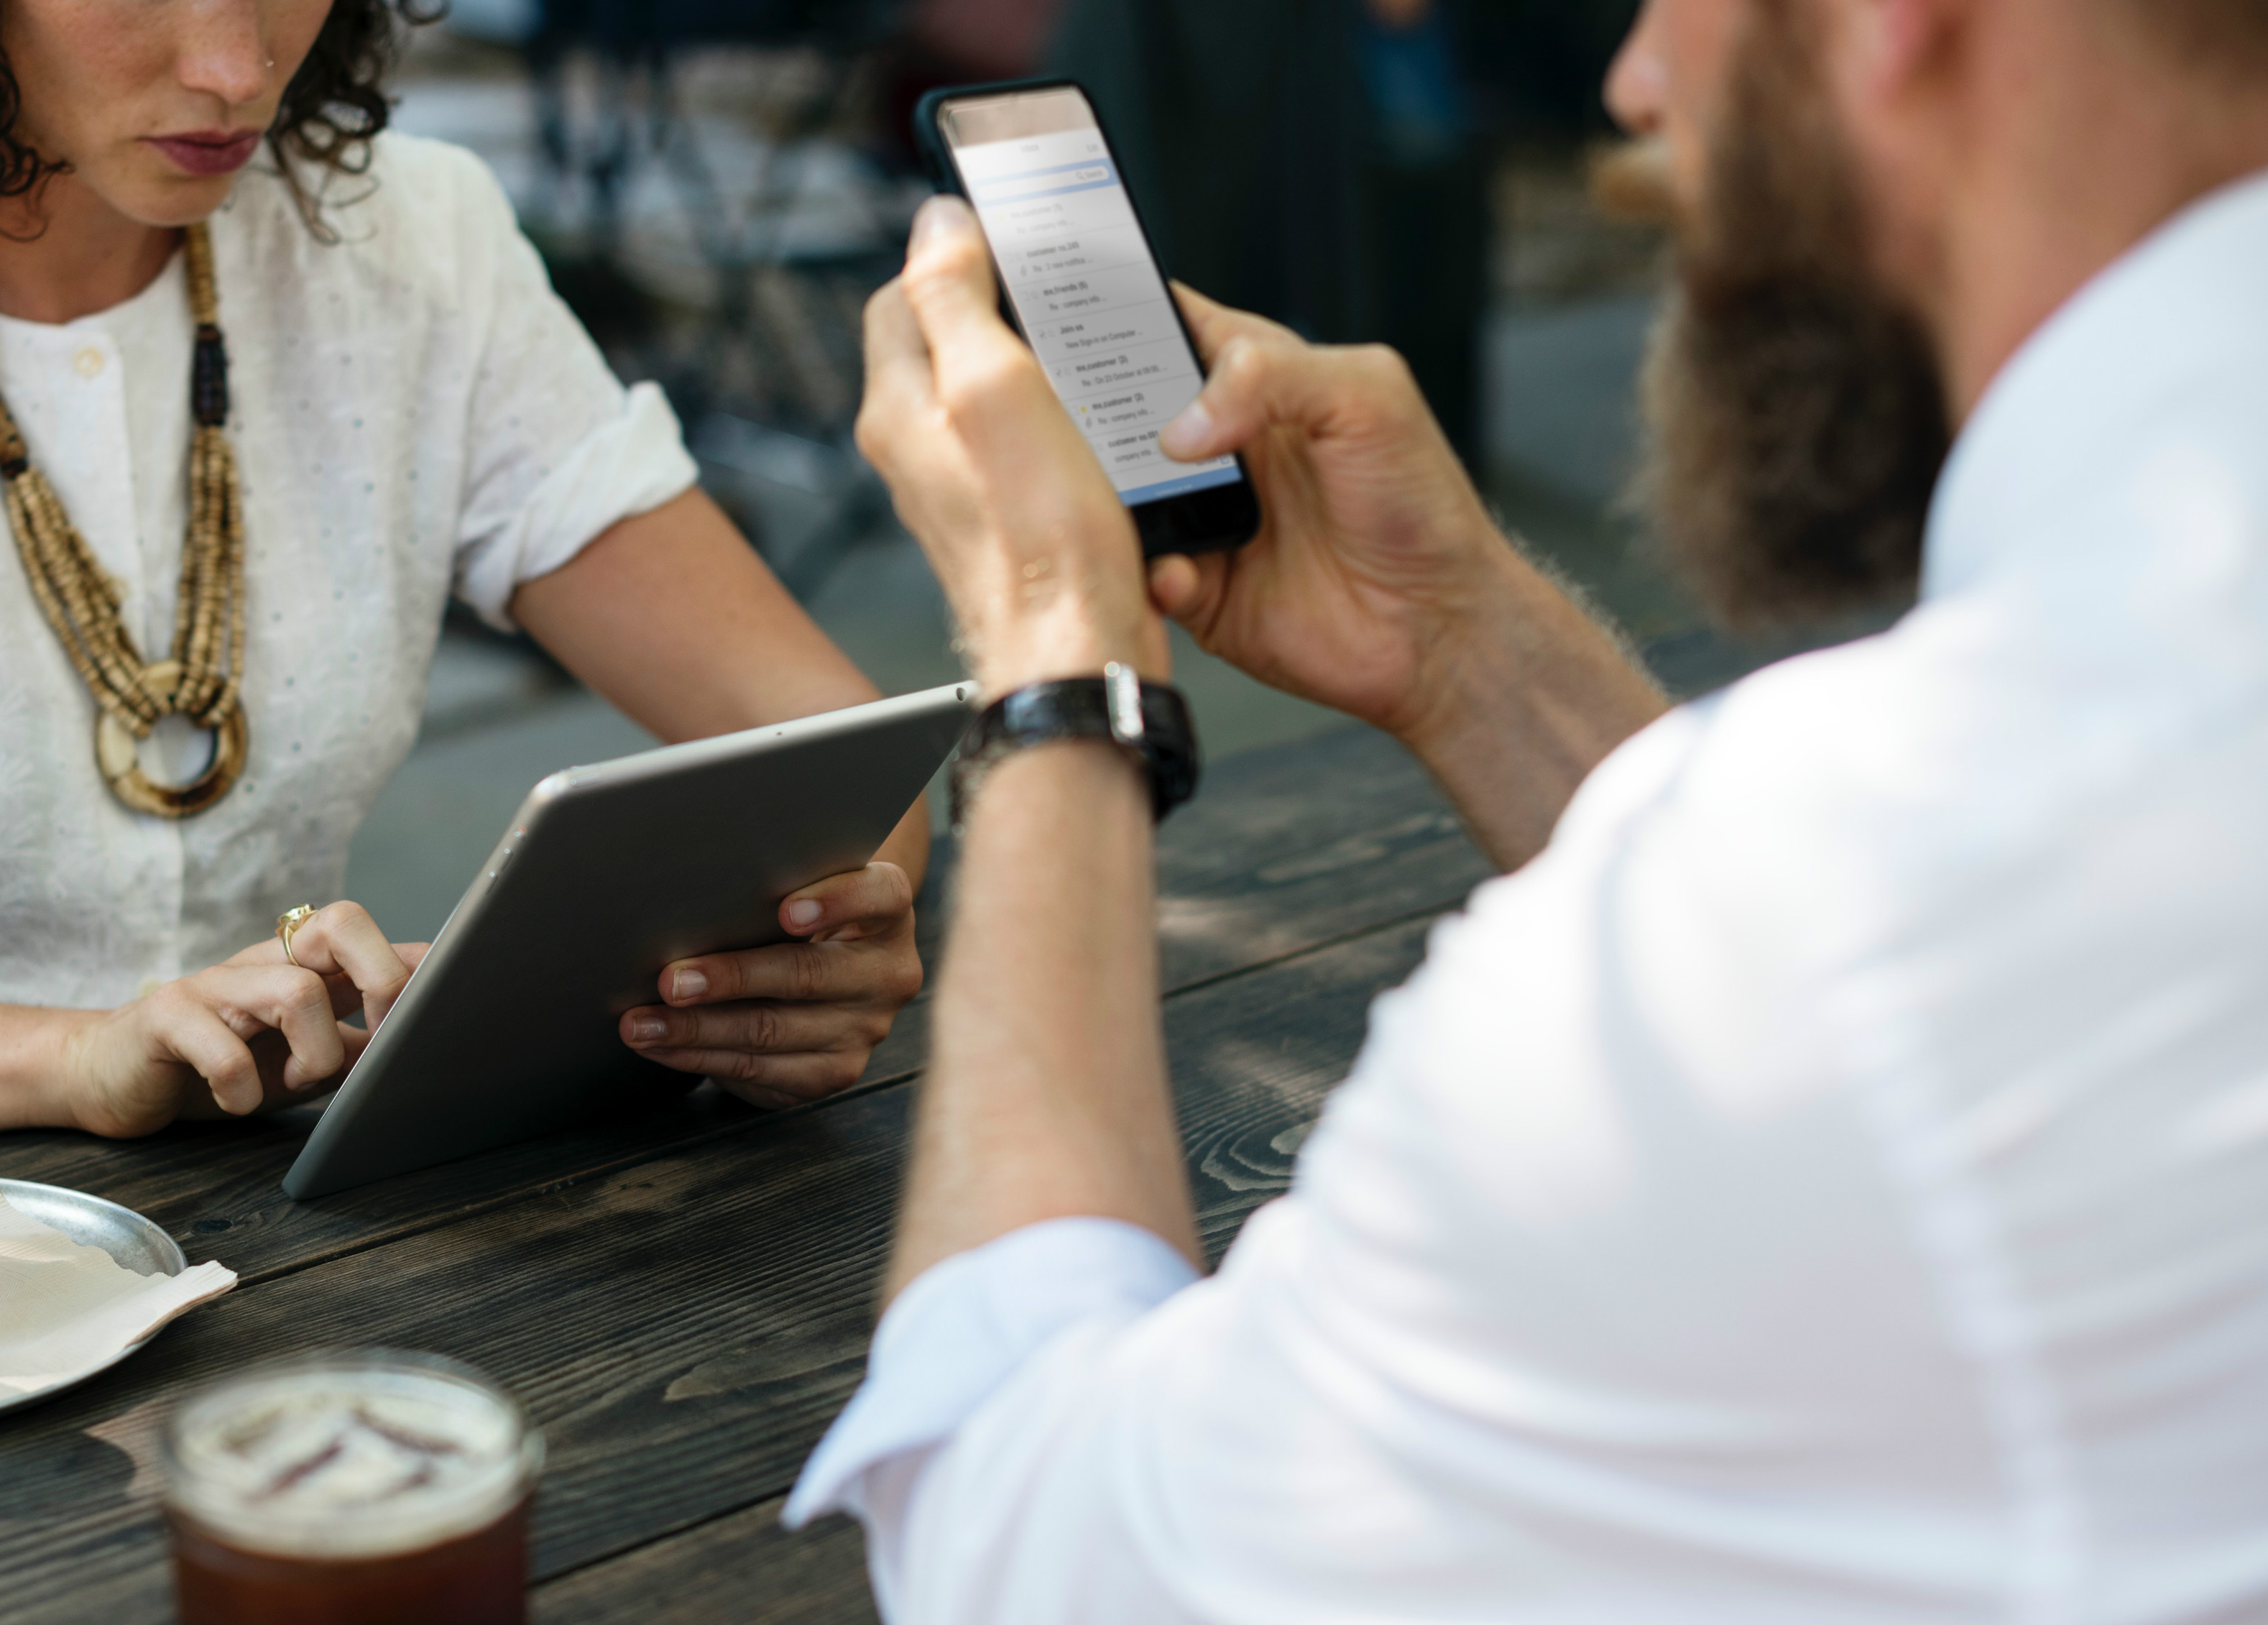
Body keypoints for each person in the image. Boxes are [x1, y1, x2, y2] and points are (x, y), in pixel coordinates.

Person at [790, 0, 2268, 1616]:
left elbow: (1040, 1547)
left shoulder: (1873, 898)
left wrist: (1058, 656)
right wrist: (1463, 649)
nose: (1633, 81)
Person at [0, 0, 929, 1192]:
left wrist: (801, 951)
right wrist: (59, 1059)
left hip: (270, 1226)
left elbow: (836, 760)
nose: (236, 63)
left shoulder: (409, 238)